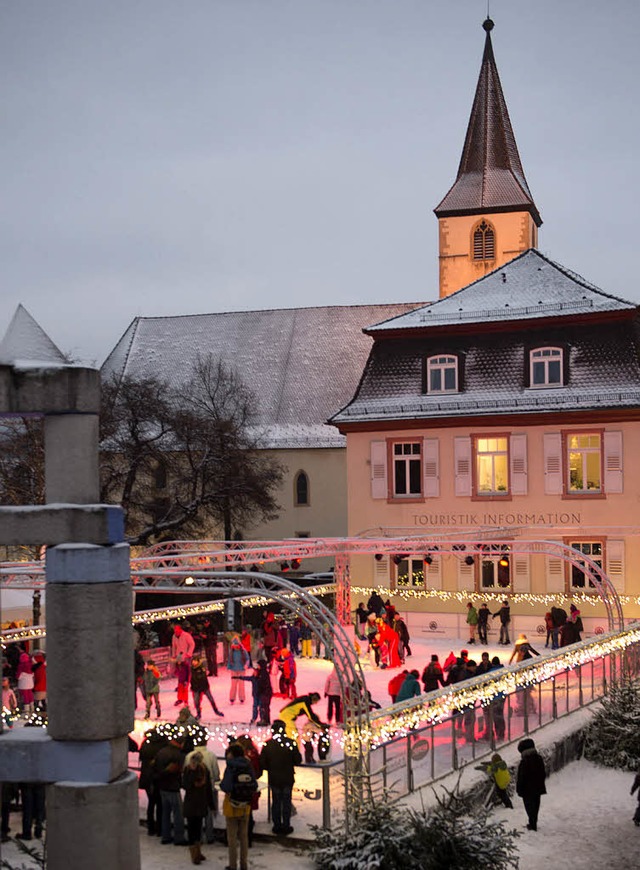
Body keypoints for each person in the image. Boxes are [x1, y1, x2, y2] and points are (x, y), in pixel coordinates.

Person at [259, 719, 302, 836]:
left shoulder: (268, 745)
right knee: (286, 801)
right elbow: (298, 760)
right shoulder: (291, 743)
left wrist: (271, 768)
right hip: (287, 777)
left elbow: (262, 763)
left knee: (276, 801)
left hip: (274, 778)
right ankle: (286, 825)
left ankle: (277, 825)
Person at [220, 742, 256, 870]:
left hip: (232, 806)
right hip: (245, 806)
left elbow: (226, 786)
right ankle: (244, 864)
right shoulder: (248, 765)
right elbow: (254, 785)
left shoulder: (231, 767)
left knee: (232, 838)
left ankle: (233, 865)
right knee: (244, 837)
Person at [154, 733, 188, 845]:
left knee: (165, 813)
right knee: (178, 814)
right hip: (173, 787)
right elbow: (178, 771)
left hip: (162, 787)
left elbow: (156, 768)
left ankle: (166, 835)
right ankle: (179, 837)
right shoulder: (178, 755)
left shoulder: (162, 751)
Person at [185, 739, 220, 845]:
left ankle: (195, 841)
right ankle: (208, 836)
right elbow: (216, 773)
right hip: (204, 795)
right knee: (206, 816)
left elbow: (184, 782)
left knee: (192, 822)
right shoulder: (211, 757)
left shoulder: (188, 760)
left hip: (191, 799)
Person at [182, 751, 214, 864]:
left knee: (197, 828)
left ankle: (197, 852)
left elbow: (208, 787)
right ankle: (194, 854)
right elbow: (186, 785)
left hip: (197, 803)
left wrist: (211, 804)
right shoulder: (188, 770)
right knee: (193, 829)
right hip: (194, 804)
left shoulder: (203, 770)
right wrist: (191, 771)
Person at [139, 727, 168, 837]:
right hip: (158, 776)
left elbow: (141, 755)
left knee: (151, 803)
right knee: (160, 804)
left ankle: (151, 828)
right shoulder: (162, 744)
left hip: (147, 776)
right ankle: (160, 829)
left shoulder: (146, 743)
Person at [516, 738, 546, 831]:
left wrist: (519, 789)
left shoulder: (524, 762)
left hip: (527, 790)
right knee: (536, 805)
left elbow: (521, 777)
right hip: (538, 787)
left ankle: (532, 825)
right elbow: (543, 773)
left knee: (529, 807)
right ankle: (533, 822)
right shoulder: (538, 758)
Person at [172, 624, 196, 707]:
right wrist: (174, 655)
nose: (176, 632)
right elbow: (174, 646)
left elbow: (192, 644)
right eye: (175, 631)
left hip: (186, 659)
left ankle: (185, 699)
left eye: (177, 630)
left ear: (180, 630)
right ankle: (180, 698)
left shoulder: (186, 635)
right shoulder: (174, 636)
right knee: (180, 680)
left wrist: (189, 654)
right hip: (179, 659)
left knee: (186, 680)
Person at [228, 635, 250, 704]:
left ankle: (242, 698)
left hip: (241, 670)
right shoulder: (231, 652)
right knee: (233, 685)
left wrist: (246, 665)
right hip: (234, 670)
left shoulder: (243, 651)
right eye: (234, 645)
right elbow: (229, 660)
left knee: (241, 685)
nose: (235, 647)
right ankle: (232, 698)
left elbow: (247, 659)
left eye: (237, 645)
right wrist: (229, 666)